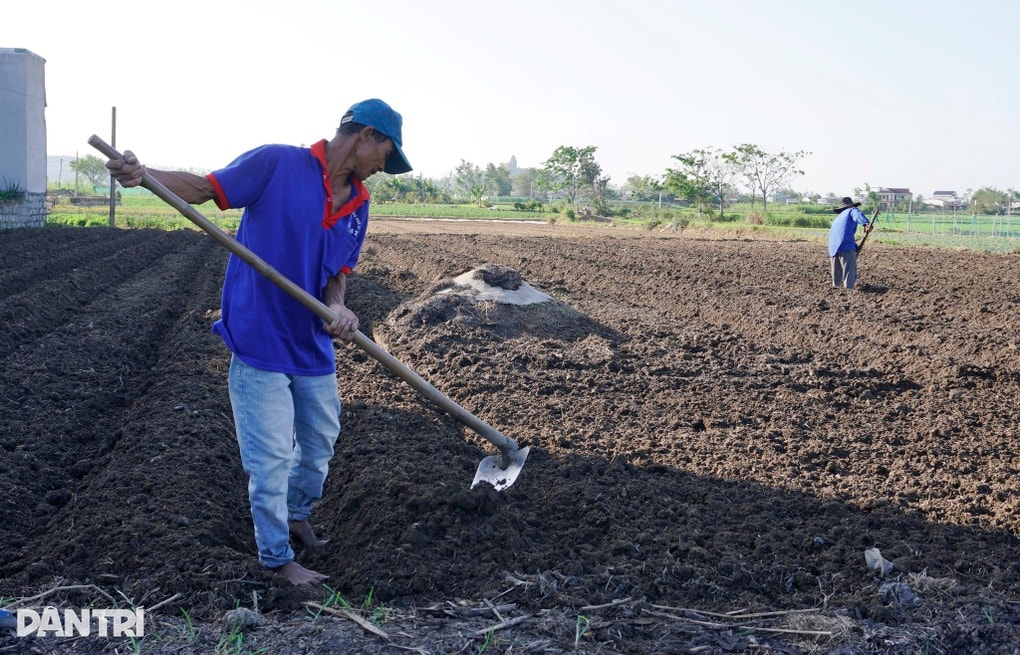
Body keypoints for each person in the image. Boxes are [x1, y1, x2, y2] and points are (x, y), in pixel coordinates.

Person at [106, 98, 412, 585]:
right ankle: (276, 558)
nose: (383, 167)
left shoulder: (360, 205)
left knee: (318, 447)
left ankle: (295, 515)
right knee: (270, 460)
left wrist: (337, 305)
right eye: (386, 154)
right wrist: (145, 175)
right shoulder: (278, 163)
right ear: (366, 136)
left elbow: (338, 273)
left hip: (311, 345)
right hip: (260, 340)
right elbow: (205, 188)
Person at [828, 196, 872, 289]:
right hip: (846, 247)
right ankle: (849, 292)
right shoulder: (852, 210)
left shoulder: (837, 219)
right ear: (851, 205)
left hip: (833, 249)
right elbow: (858, 215)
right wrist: (866, 224)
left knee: (836, 281)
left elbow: (842, 234)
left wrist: (855, 247)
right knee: (849, 275)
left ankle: (836, 293)